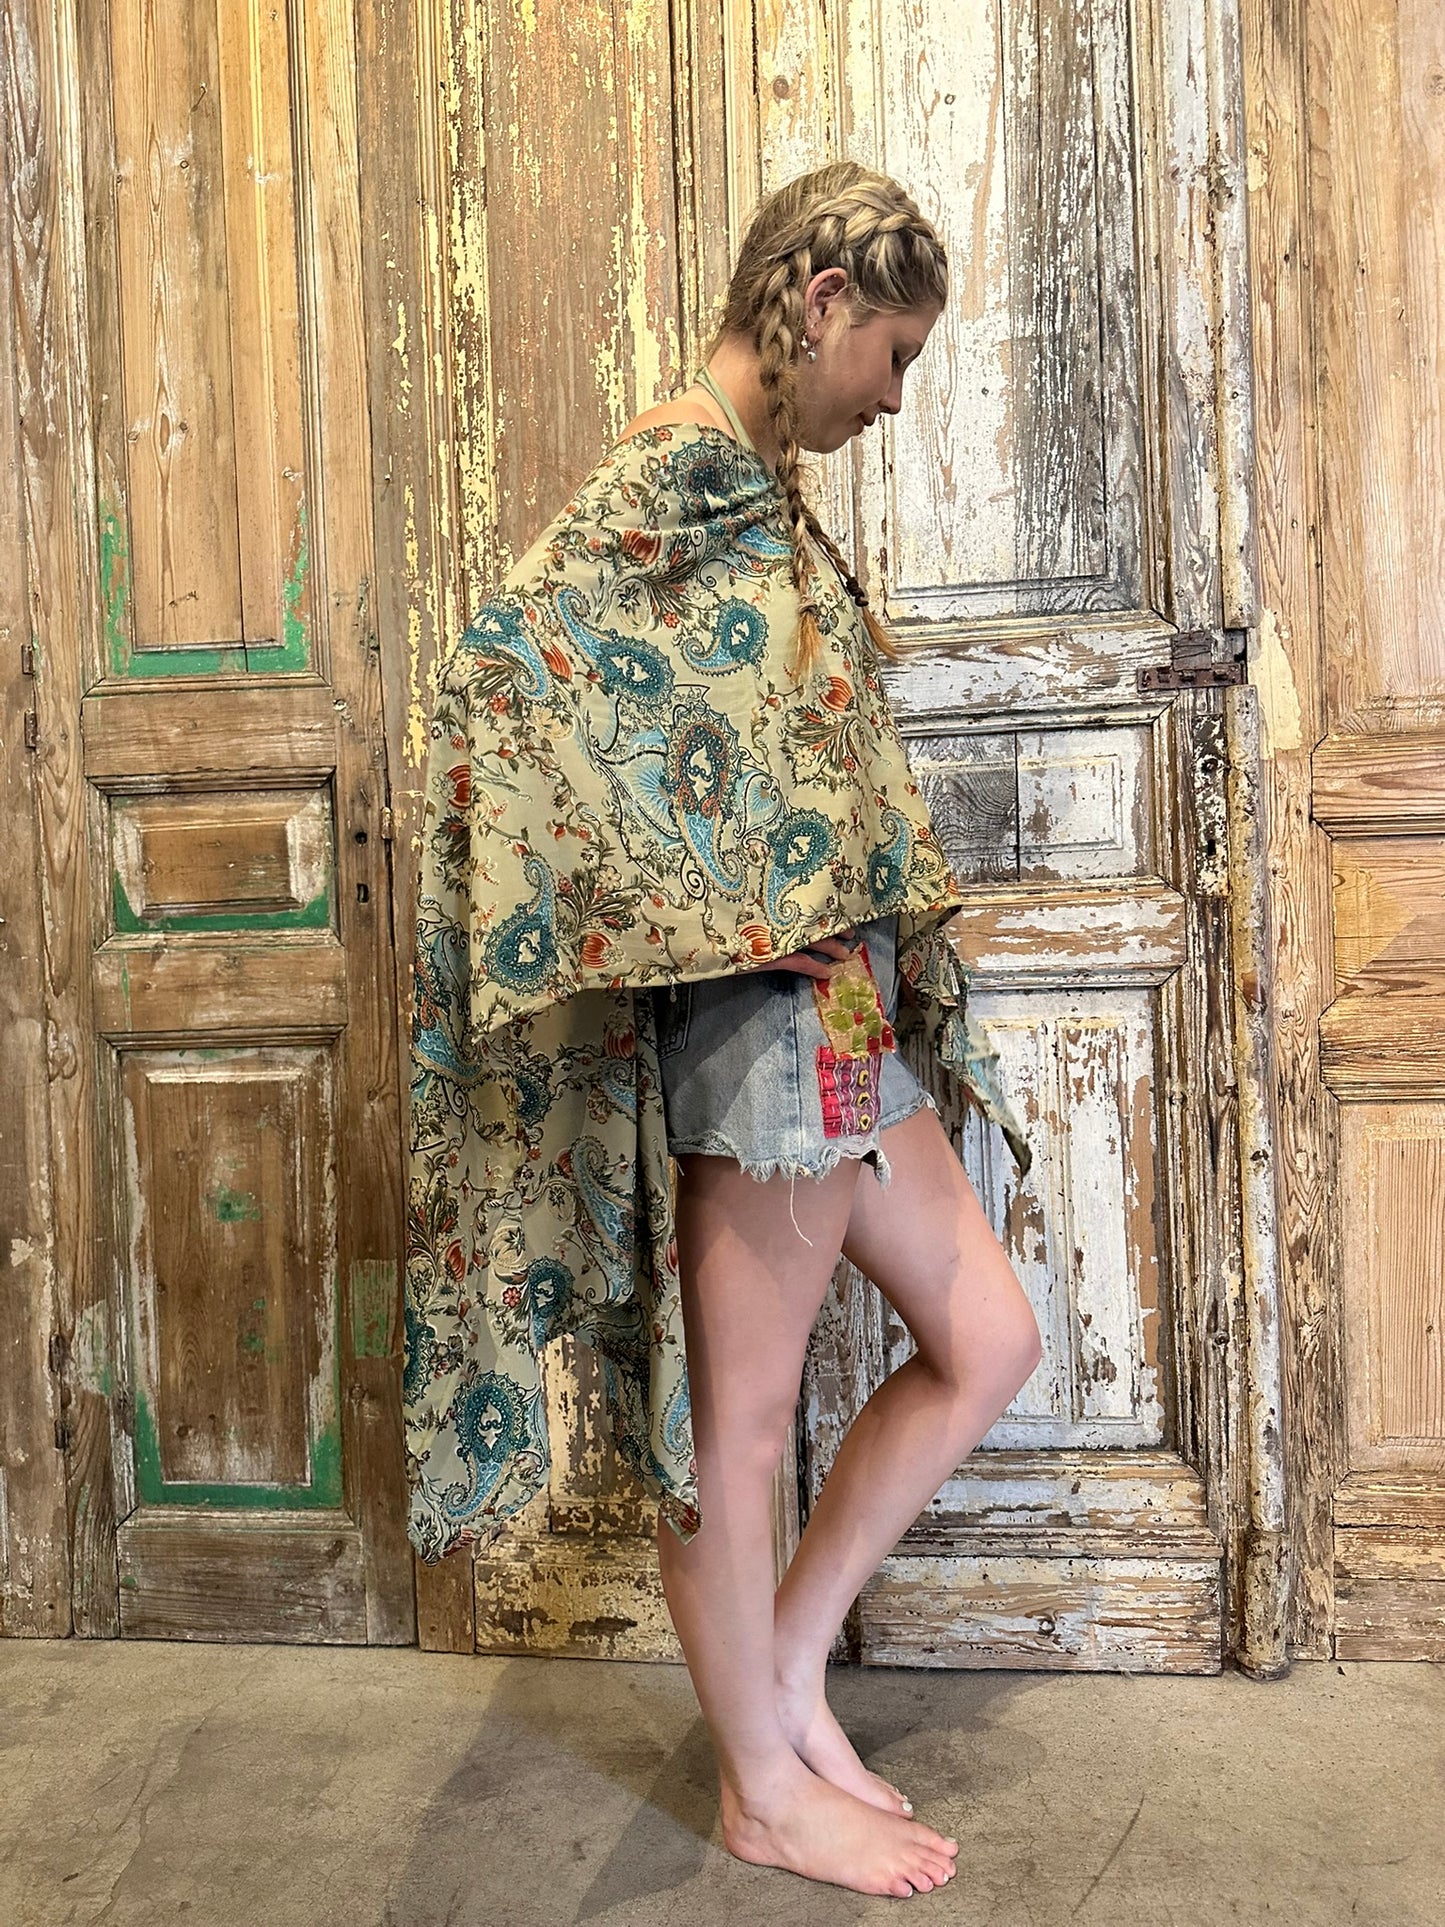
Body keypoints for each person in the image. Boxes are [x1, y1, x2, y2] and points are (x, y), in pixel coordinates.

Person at [406, 161, 1041, 1900]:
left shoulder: (752, 488)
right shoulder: (671, 479)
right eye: (892, 353)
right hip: (764, 1032)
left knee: (987, 1338)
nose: (892, 398)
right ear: (824, 303)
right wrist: (705, 908)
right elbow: (495, 685)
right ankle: (759, 1784)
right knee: (735, 1428)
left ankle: (785, 1672)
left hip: (833, 1016)